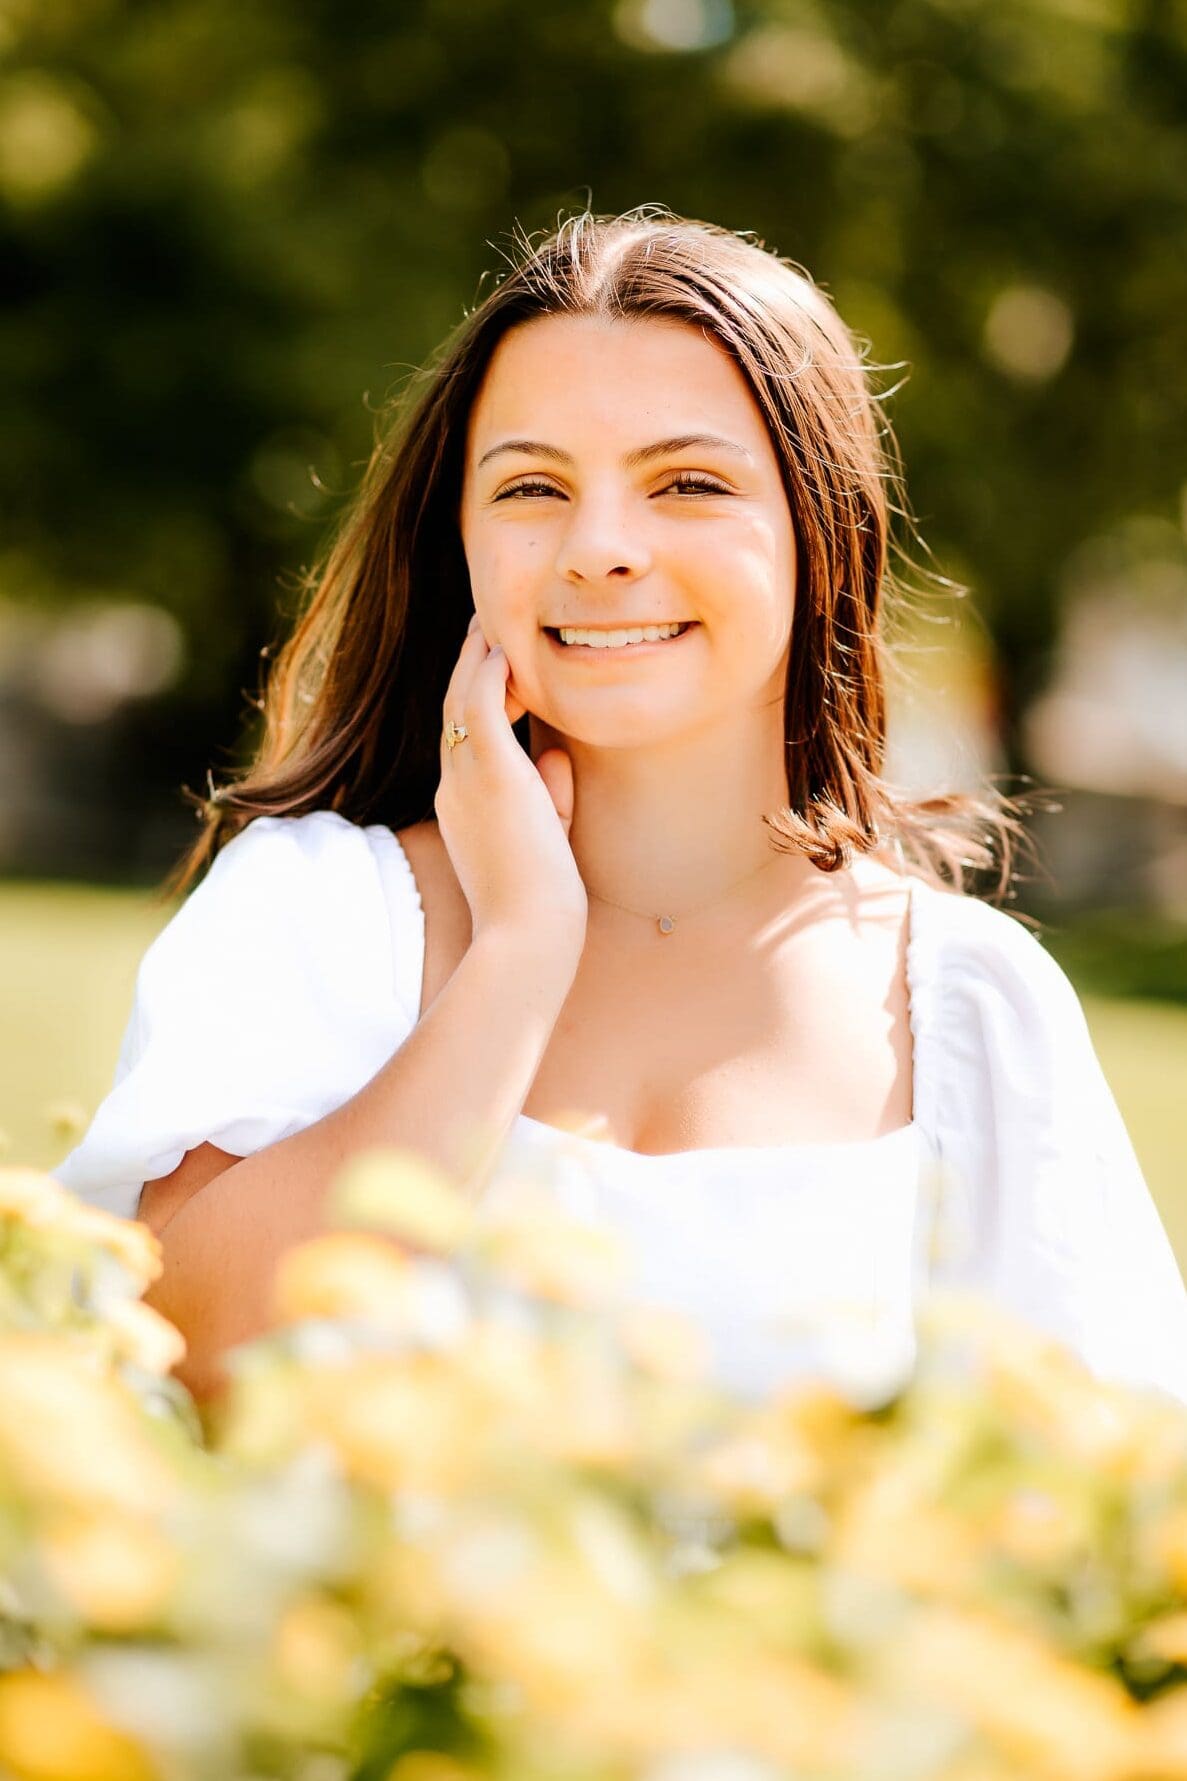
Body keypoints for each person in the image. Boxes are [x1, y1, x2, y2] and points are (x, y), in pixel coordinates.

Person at [53, 206, 1187, 1411]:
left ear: (821, 528)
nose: (598, 547)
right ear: (461, 541)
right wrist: (517, 953)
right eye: (530, 485)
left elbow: (1109, 1480)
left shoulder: (964, 1004)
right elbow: (185, 1349)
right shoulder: (318, 910)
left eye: (687, 481)